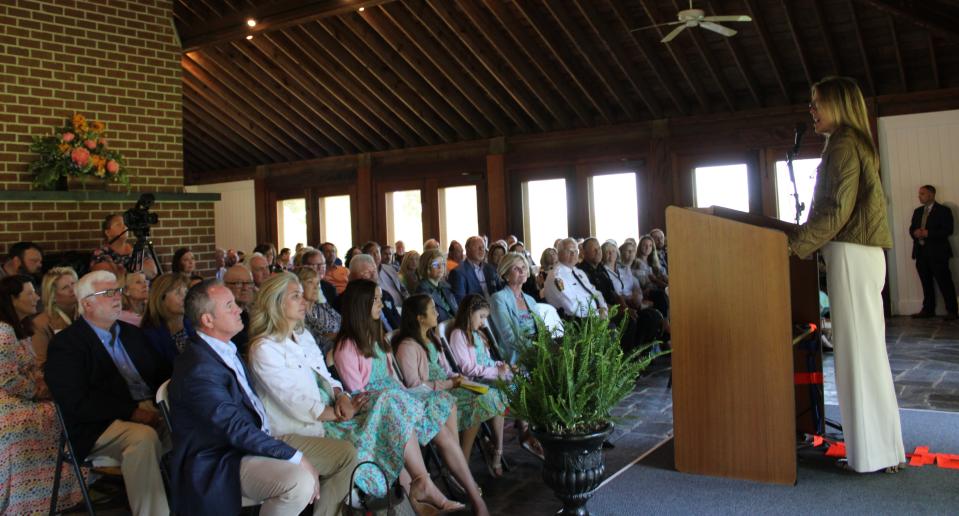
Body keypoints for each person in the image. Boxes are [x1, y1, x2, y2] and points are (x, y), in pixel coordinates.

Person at [246, 275, 459, 512]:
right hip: (298, 428)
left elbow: (326, 377)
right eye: (295, 296)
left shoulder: (303, 336)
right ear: (275, 303)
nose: (305, 300)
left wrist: (341, 396)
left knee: (395, 405)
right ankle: (422, 486)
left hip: (330, 412)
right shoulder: (265, 348)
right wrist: (338, 413)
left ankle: (423, 483)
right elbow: (294, 402)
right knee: (389, 408)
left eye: (302, 294)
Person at [788, 76, 905, 473]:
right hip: (859, 254)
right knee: (866, 353)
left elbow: (836, 211)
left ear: (837, 104)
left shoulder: (843, 144)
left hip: (852, 254)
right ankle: (881, 451)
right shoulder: (852, 142)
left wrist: (791, 247)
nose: (812, 110)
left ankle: (870, 457)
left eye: (816, 102)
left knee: (857, 356)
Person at [169, 279, 357, 516]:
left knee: (347, 453)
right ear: (208, 320)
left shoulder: (223, 349)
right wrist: (295, 456)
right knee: (298, 481)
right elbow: (235, 429)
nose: (239, 309)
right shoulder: (199, 369)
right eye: (229, 306)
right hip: (223, 459)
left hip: (252, 441)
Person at [333, 280, 488, 515]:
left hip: (396, 397)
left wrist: (409, 396)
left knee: (442, 403)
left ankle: (473, 496)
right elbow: (357, 394)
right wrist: (402, 397)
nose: (380, 303)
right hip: (376, 408)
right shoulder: (346, 347)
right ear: (360, 305)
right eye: (374, 299)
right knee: (407, 415)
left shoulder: (378, 337)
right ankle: (426, 485)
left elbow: (394, 378)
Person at [45, 270, 170, 515]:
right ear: (87, 303)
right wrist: (131, 411)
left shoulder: (132, 333)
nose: (117, 298)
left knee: (194, 425)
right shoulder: (67, 344)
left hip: (149, 408)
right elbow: (76, 401)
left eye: (118, 291)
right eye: (108, 293)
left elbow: (160, 373)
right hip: (101, 424)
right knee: (142, 439)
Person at [1, 275, 85, 513]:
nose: (37, 297)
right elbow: (7, 379)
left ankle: (49, 492)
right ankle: (26, 497)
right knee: (50, 415)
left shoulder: (22, 326)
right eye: (30, 294)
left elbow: (32, 369)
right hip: (10, 398)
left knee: (58, 409)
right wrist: (38, 392)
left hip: (26, 393)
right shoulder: (3, 331)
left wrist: (44, 386)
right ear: (12, 299)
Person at [428, 294, 508, 476]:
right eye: (481, 317)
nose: (483, 322)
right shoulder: (459, 334)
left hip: (484, 378)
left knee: (508, 390)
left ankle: (498, 446)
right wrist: (496, 372)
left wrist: (501, 367)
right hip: (473, 381)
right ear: (470, 313)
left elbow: (486, 360)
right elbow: (467, 367)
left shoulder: (477, 335)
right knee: (491, 398)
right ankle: (476, 455)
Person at [909, 185, 957, 320]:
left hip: (938, 253)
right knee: (926, 282)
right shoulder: (917, 211)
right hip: (921, 252)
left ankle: (952, 310)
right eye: (919, 193)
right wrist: (915, 233)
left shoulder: (943, 211)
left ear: (931, 195)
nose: (919, 196)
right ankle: (928, 309)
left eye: (922, 194)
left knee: (945, 282)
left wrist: (928, 233)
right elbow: (911, 228)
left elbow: (948, 230)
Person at [490, 252, 540, 362]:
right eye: (516, 269)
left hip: (539, 352)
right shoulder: (498, 298)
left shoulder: (530, 300)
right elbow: (510, 338)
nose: (522, 271)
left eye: (523, 267)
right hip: (517, 357)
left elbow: (542, 330)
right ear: (506, 275)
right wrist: (538, 348)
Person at [141, 272, 194, 369]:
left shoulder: (193, 323)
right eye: (178, 293)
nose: (185, 298)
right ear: (161, 298)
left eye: (186, 292)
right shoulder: (149, 335)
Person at [544, 238, 607, 319]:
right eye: (569, 251)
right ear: (559, 254)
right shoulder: (557, 276)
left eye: (576, 251)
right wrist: (597, 314)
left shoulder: (578, 272)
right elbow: (571, 306)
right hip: (578, 322)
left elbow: (594, 292)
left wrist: (603, 307)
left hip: (596, 316)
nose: (573, 254)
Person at [28, 267, 78, 365]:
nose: (73, 289)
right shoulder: (40, 324)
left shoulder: (89, 313)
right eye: (65, 287)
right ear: (53, 296)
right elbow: (41, 364)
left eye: (74, 284)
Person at [90, 214, 157, 279]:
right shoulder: (100, 253)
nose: (124, 227)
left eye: (125, 224)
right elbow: (106, 274)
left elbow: (152, 272)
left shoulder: (138, 249)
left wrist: (121, 269)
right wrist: (137, 268)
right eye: (118, 224)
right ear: (107, 232)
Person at [295, 266, 341, 354]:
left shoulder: (322, 306)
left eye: (317, 283)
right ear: (298, 286)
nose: (316, 287)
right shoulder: (298, 314)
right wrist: (339, 336)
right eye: (310, 282)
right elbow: (313, 341)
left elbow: (341, 321)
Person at [349, 254, 401, 332]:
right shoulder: (350, 301)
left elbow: (398, 320)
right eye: (367, 272)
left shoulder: (385, 295)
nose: (373, 275)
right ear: (354, 276)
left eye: (374, 270)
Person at [448, 236, 504, 303]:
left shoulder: (490, 269)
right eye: (477, 247)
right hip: (476, 311)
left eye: (483, 247)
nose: (481, 250)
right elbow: (460, 301)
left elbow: (501, 290)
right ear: (467, 249)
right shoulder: (458, 272)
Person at [415, 249, 459, 322]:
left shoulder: (446, 286)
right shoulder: (422, 291)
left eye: (442, 263)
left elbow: (456, 310)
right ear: (426, 267)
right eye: (435, 264)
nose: (440, 267)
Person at [223, 264, 256, 352]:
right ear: (225, 286)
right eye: (238, 283)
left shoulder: (253, 310)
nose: (245, 288)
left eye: (249, 283)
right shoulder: (224, 318)